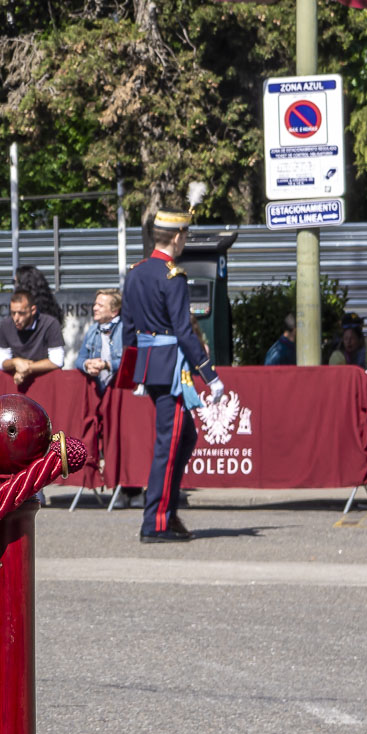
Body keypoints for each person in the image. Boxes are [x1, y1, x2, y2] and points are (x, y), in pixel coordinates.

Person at [122, 206, 225, 543]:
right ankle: (156, 521)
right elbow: (184, 331)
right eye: (186, 236)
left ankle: (166, 510)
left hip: (150, 366)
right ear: (178, 237)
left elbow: (128, 328)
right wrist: (209, 375)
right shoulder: (172, 275)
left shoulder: (136, 272)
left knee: (185, 436)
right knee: (169, 443)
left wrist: (133, 371)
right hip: (171, 370)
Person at [0, 290, 65, 389]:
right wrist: (15, 362)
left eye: (21, 313)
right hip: (16, 385)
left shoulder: (50, 324)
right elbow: (1, 361)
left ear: (33, 310)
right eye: (13, 313)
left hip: (46, 385)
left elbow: (57, 360)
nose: (16, 318)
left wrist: (28, 368)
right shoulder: (5, 325)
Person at [71, 290, 125, 388]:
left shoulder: (125, 330)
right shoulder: (92, 329)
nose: (95, 308)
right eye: (95, 304)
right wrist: (87, 365)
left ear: (114, 312)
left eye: (100, 306)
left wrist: (107, 365)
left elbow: (131, 363)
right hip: (99, 389)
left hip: (119, 390)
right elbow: (79, 359)